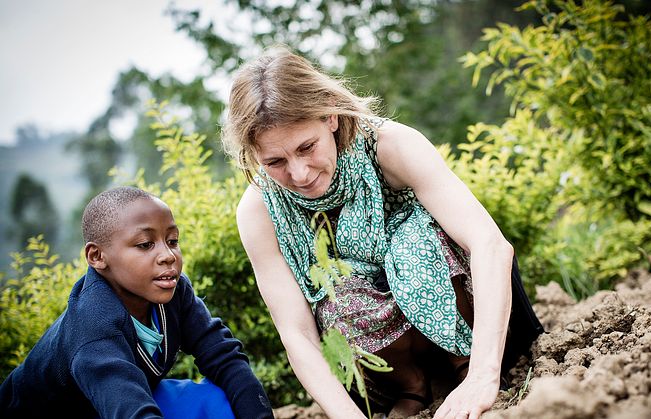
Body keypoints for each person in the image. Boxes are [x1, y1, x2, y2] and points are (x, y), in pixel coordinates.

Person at [222, 46, 543, 419]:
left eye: (306, 147)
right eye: (275, 162)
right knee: (337, 292)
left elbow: (489, 245)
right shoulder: (258, 210)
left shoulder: (389, 144)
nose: (300, 174)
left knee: (415, 242)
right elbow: (298, 334)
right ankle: (413, 389)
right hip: (381, 372)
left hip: (481, 339)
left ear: (330, 116)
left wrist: (482, 377)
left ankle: (464, 365)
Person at [0, 186, 274, 419]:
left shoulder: (174, 291)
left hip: (125, 403)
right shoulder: (92, 328)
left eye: (172, 241)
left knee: (222, 401)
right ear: (97, 257)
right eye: (145, 244)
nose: (168, 255)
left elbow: (224, 358)